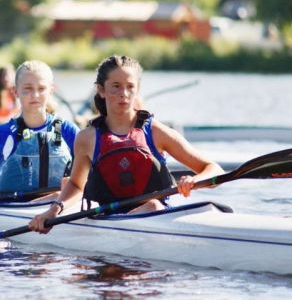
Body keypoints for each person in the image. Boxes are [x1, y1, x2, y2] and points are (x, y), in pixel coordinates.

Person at [29, 55, 224, 233]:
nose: (124, 93)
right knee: (152, 207)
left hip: (159, 218)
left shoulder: (156, 132)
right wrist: (54, 211)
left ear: (137, 90)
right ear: (101, 90)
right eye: (116, 86)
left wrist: (194, 181)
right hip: (110, 223)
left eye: (130, 86)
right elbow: (75, 185)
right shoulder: (86, 138)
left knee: (153, 205)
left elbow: (214, 169)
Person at [0, 60, 80, 212]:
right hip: (14, 207)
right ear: (15, 91)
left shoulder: (68, 130)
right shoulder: (5, 132)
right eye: (27, 89)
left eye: (41, 89)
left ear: (51, 91)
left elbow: (86, 172)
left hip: (58, 206)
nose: (35, 95)